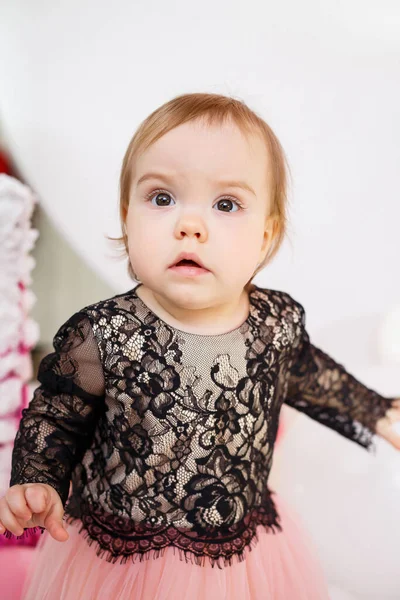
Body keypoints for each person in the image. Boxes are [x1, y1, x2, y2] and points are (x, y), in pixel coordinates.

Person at [1, 92, 399, 600]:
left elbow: (308, 373)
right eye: (161, 198)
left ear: (265, 236)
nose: (189, 225)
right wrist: (39, 479)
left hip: (240, 552)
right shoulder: (107, 331)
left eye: (226, 204)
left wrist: (378, 412)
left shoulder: (272, 324)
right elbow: (57, 415)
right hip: (122, 556)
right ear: (128, 217)